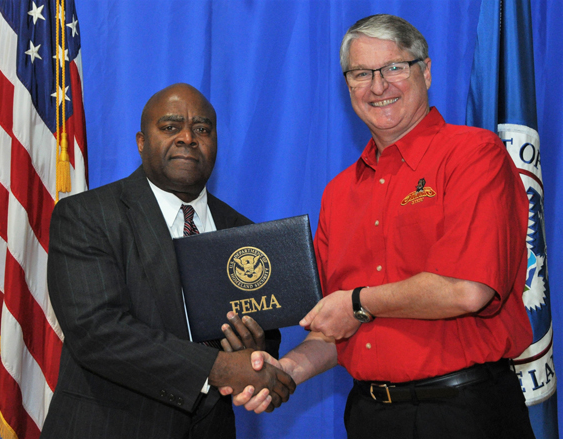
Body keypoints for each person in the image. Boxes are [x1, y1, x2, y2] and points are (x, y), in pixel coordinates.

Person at [225, 14, 536, 438]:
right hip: (370, 415)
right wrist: (285, 372)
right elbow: (337, 326)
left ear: (425, 71)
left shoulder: (474, 156)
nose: (377, 86)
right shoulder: (338, 193)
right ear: (347, 85)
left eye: (393, 68)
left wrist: (356, 302)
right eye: (360, 73)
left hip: (464, 414)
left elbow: (468, 289)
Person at [41, 83, 295, 439]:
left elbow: (265, 334)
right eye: (170, 127)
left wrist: (254, 360)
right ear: (141, 142)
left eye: (202, 129)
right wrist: (221, 368)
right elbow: (98, 333)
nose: (188, 138)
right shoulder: (87, 215)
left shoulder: (243, 232)